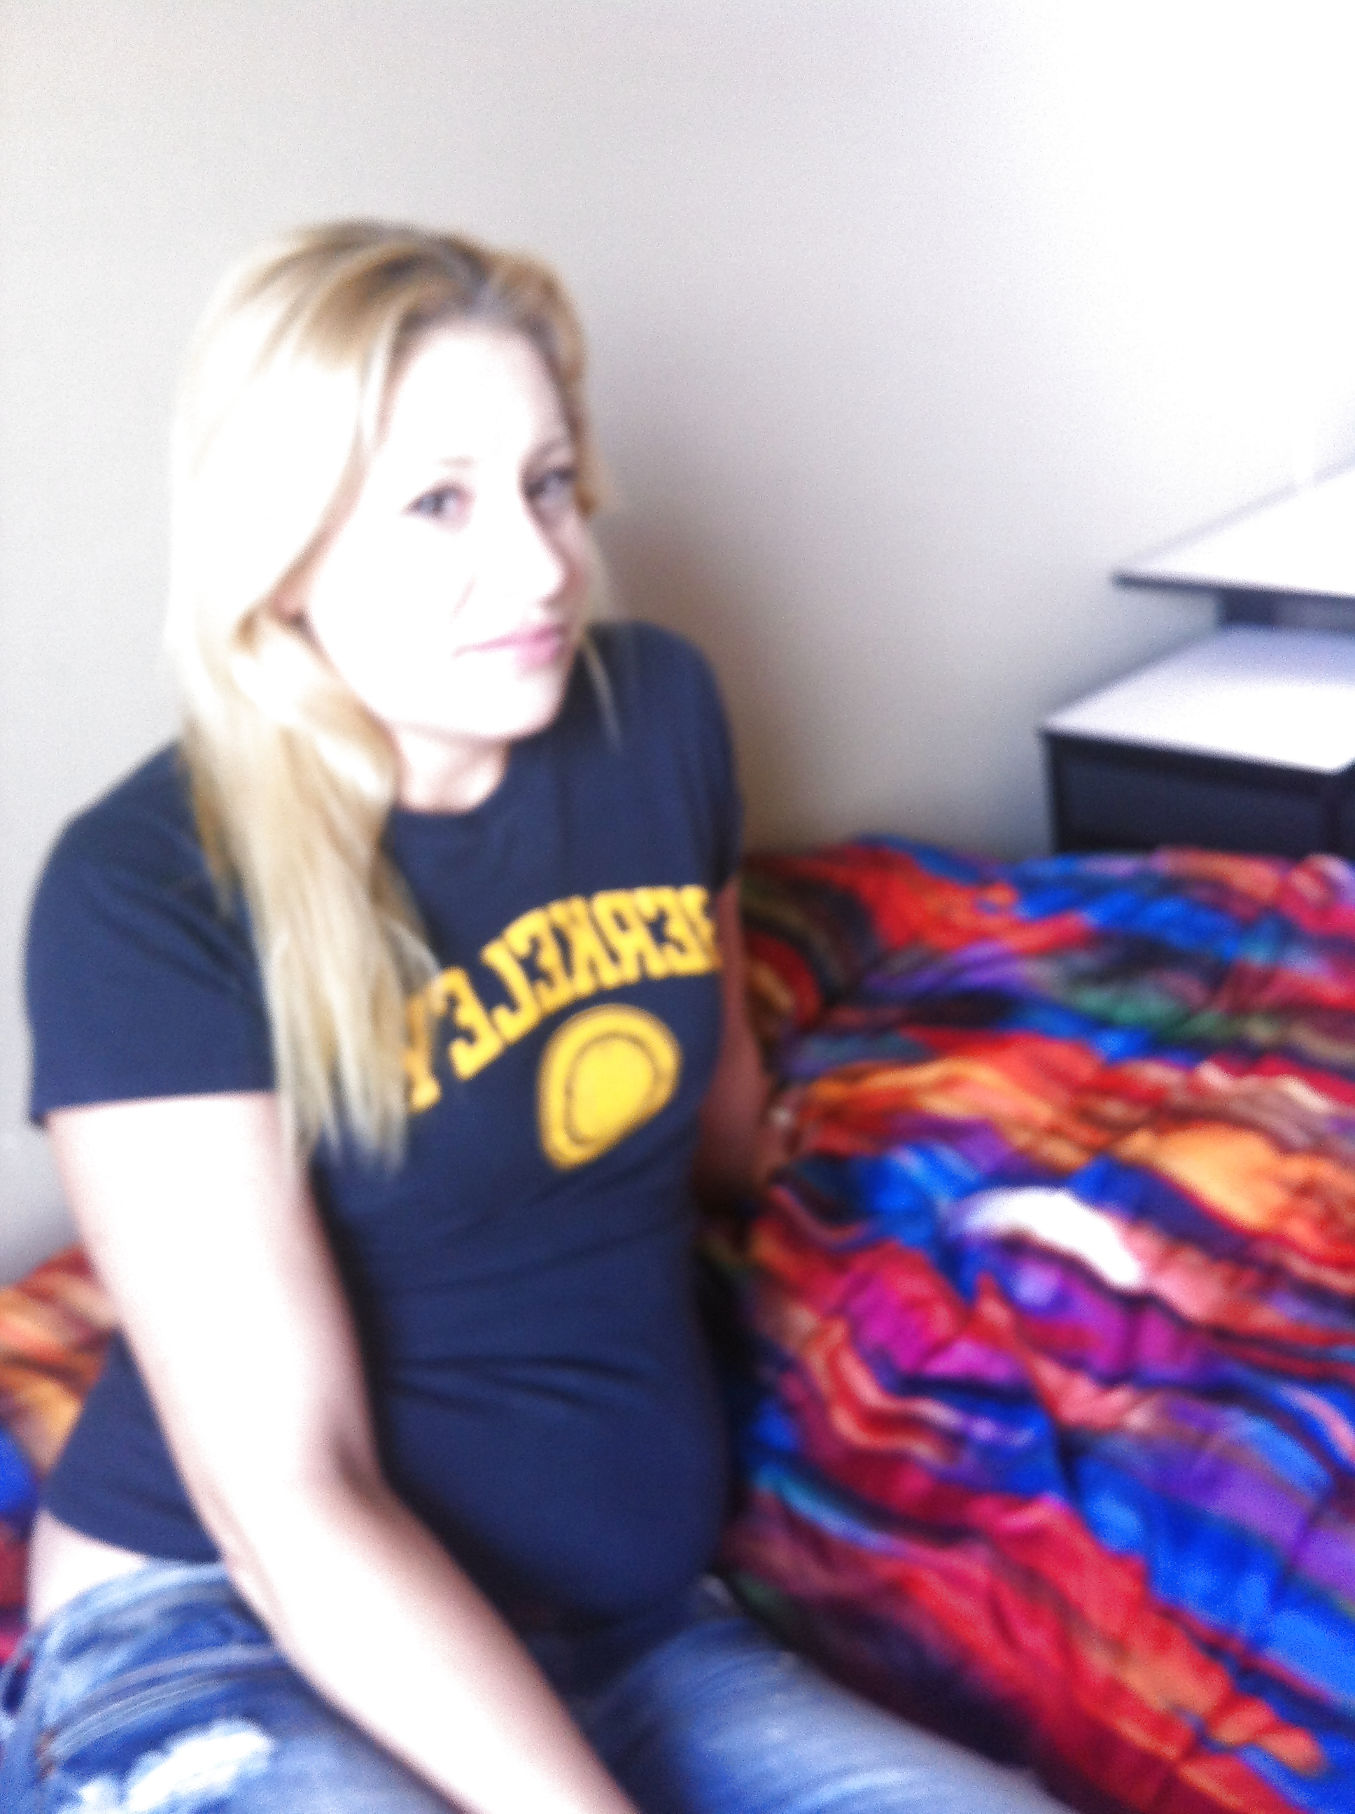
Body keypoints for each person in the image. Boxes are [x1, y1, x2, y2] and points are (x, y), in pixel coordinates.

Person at [0, 221, 1066, 1813]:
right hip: (230, 1627)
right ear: (281, 552)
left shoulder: (656, 717)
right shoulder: (149, 886)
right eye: (439, 502)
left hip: (629, 1637)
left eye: (549, 482)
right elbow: (285, 1498)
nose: (543, 562)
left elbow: (716, 1109)